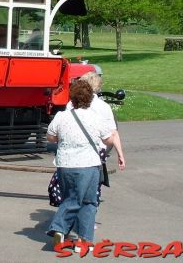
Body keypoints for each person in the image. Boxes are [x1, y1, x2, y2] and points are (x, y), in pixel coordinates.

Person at [46, 80, 125, 252]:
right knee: (88, 202)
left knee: (70, 198)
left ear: (72, 98)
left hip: (65, 164)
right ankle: (76, 237)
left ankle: (62, 231)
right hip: (89, 164)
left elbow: (51, 137)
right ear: (90, 98)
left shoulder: (62, 116)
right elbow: (108, 139)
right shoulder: (95, 118)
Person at [79, 71, 125, 202]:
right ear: (97, 87)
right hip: (95, 154)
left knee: (74, 192)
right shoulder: (103, 107)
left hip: (73, 154)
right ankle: (86, 220)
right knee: (92, 191)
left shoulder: (72, 104)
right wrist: (120, 154)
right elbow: (113, 132)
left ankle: (71, 219)